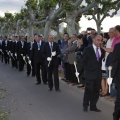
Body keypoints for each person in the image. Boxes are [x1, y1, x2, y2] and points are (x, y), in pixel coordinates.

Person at [77, 34, 105, 112]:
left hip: (98, 74)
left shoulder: (102, 51)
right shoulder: (87, 49)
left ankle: (93, 106)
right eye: (98, 40)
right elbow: (83, 62)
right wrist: (78, 71)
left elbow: (100, 62)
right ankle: (85, 105)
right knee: (88, 90)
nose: (100, 42)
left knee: (96, 91)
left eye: (101, 40)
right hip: (89, 74)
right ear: (93, 40)